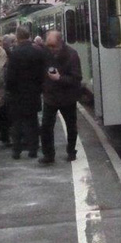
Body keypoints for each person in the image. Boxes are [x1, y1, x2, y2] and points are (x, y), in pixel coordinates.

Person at [40, 30, 83, 162]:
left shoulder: (71, 54)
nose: (51, 49)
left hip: (67, 97)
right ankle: (48, 154)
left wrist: (59, 78)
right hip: (50, 96)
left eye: (53, 46)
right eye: (49, 46)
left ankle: (71, 151)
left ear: (60, 43)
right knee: (46, 126)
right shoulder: (45, 53)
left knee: (71, 126)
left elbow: (77, 78)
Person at [5, 26, 47, 160]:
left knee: (16, 123)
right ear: (29, 36)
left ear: (17, 37)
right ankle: (33, 150)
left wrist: (10, 90)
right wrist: (40, 88)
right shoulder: (38, 51)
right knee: (32, 122)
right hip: (33, 92)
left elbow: (10, 76)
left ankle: (16, 151)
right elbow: (43, 72)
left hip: (17, 93)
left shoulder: (14, 53)